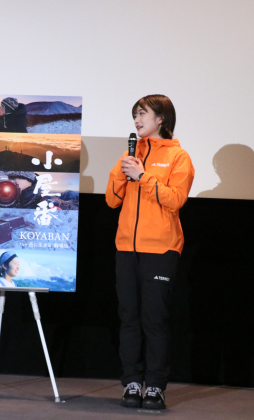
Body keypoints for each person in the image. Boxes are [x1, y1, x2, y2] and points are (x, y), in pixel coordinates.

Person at [105, 94, 194, 410]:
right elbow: (112, 200)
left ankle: (155, 387)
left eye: (143, 113)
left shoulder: (178, 157)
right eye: (135, 114)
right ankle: (131, 382)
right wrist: (124, 170)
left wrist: (142, 176)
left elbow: (176, 199)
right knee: (128, 318)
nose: (137, 120)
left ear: (161, 118)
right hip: (126, 248)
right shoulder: (130, 154)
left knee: (154, 320)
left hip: (160, 249)